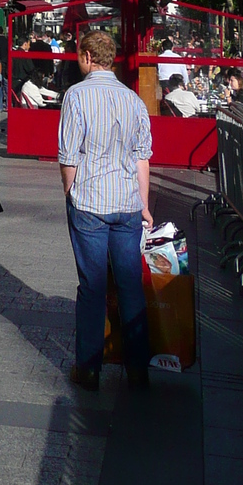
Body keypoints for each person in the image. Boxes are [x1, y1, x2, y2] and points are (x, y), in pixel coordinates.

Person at [58, 28, 152, 392]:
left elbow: (69, 154)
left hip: (90, 202)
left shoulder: (76, 96)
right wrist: (143, 205)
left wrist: (71, 191)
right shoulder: (133, 99)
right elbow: (143, 156)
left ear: (85, 56)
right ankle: (138, 367)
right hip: (127, 203)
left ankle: (89, 368)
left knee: (93, 286)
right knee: (130, 284)